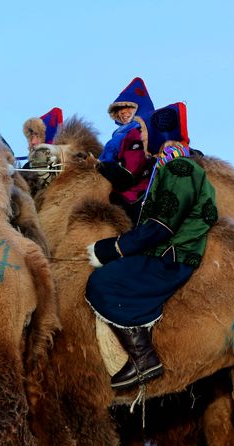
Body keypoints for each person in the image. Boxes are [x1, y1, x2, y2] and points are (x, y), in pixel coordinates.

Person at [85, 102, 218, 388]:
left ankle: (144, 359)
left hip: (172, 258)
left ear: (160, 131)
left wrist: (113, 248)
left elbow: (161, 227)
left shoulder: (180, 169)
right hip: (164, 253)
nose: (141, 137)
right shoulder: (168, 167)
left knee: (103, 283)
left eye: (144, 131)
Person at [97, 77, 156, 223]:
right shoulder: (120, 135)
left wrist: (105, 170)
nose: (123, 113)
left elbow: (131, 169)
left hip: (133, 191)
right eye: (119, 110)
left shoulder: (139, 132)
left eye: (128, 108)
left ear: (140, 107)